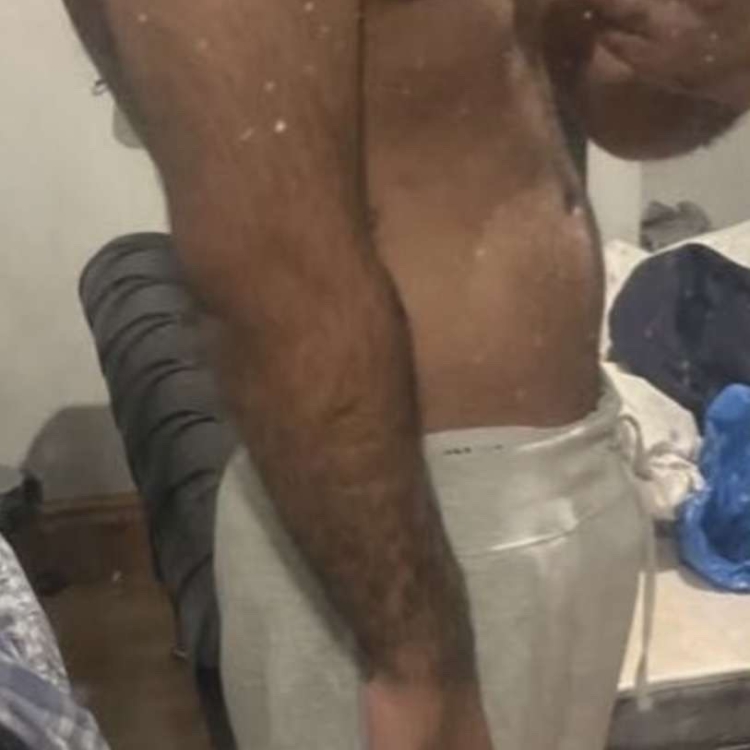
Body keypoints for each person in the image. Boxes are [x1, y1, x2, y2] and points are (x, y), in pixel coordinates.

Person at [60, 1, 750, 748]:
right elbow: (270, 273)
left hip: (544, 496)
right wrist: (419, 666)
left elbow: (608, 100)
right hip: (408, 532)